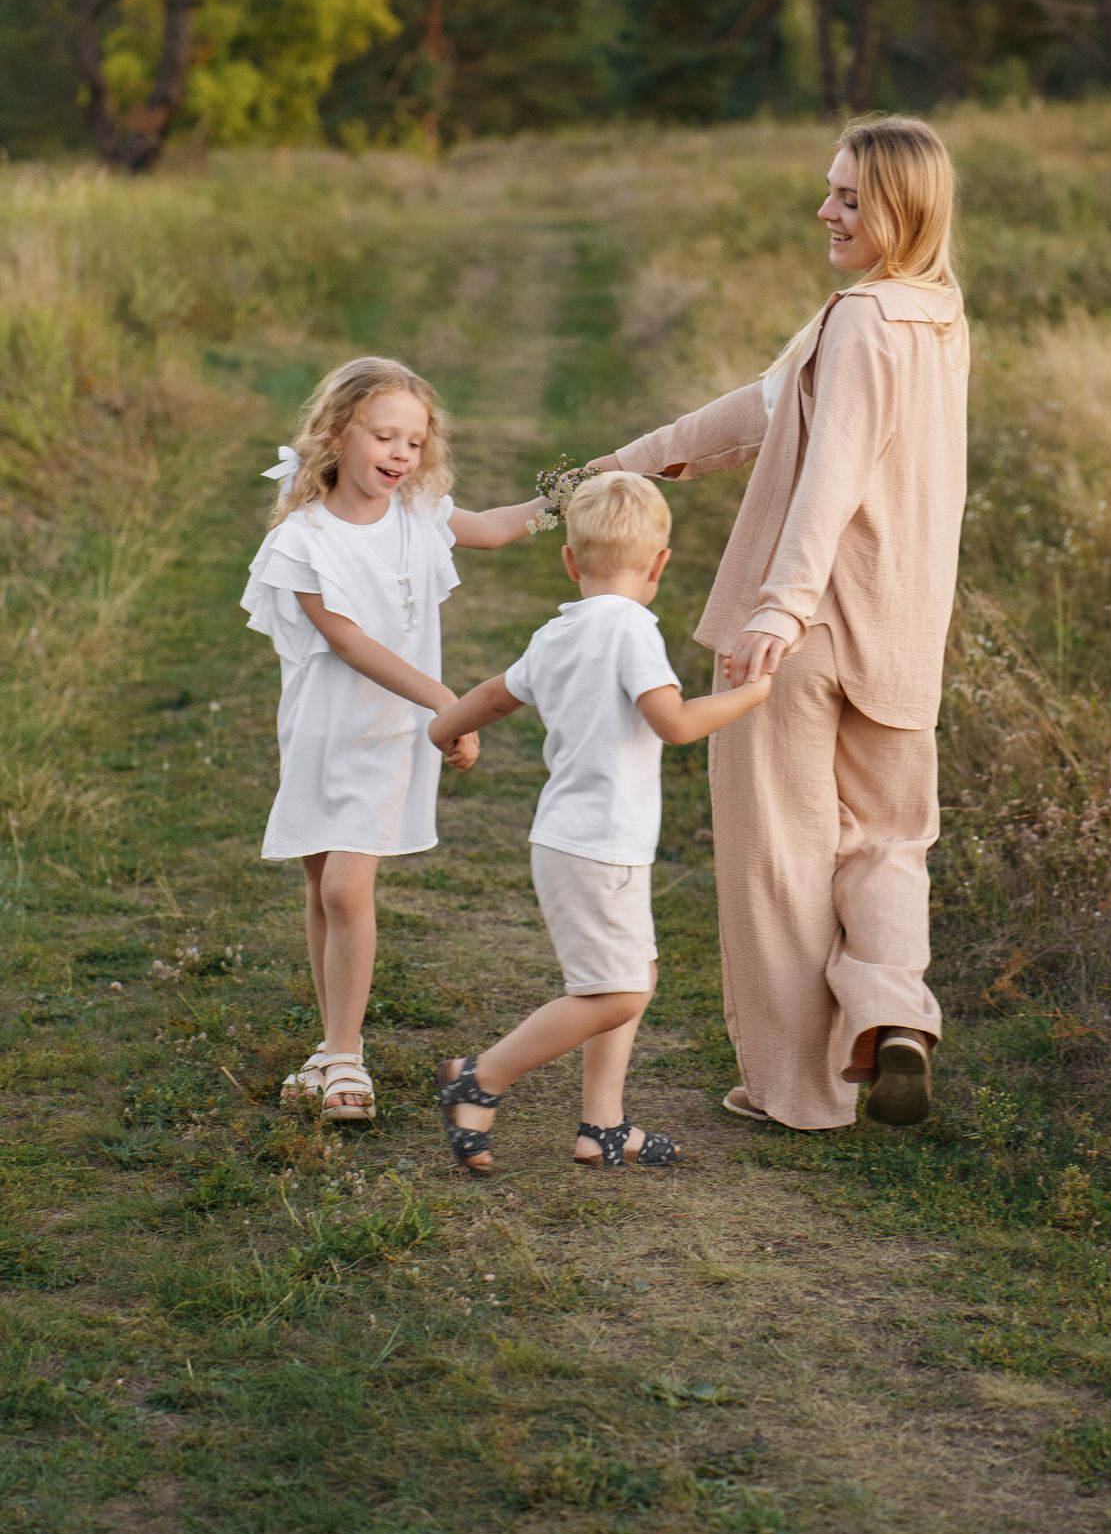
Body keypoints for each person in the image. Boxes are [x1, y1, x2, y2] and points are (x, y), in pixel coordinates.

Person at [597, 116, 969, 1132]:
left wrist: (779, 606)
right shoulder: (936, 315)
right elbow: (768, 410)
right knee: (888, 844)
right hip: (900, 634)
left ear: (904, 205)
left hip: (803, 634)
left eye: (849, 197)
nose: (827, 211)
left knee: (779, 857)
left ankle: (798, 1091)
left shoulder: (856, 318)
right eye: (831, 191)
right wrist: (633, 460)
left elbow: (830, 473)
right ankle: (895, 1020)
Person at [426, 471, 771, 1173]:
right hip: (598, 844)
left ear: (569, 561)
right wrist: (752, 694)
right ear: (659, 565)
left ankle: (603, 1125)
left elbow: (496, 694)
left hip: (577, 838)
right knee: (614, 991)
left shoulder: (558, 631)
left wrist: (444, 728)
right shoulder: (632, 630)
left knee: (631, 974)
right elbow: (673, 723)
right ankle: (480, 1077)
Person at [242, 355, 545, 1124]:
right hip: (321, 729)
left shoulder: (418, 512)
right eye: (385, 437)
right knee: (321, 885)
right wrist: (447, 704)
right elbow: (349, 644)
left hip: (392, 731)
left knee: (347, 887)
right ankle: (330, 1045)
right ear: (339, 433)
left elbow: (498, 529)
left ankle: (346, 1059)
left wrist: (581, 491)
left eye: (414, 442)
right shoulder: (302, 540)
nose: (400, 456)